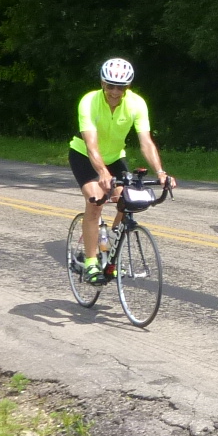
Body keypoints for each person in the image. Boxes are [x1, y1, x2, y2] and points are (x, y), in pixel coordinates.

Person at [69, 57, 173, 283]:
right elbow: (91, 145)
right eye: (111, 86)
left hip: (115, 157)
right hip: (84, 156)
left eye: (121, 87)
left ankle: (111, 248)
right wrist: (103, 173)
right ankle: (91, 262)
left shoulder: (137, 104)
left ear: (128, 86)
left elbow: (146, 142)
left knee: (127, 200)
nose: (115, 92)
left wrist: (161, 172)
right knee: (96, 201)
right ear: (102, 83)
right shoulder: (89, 102)